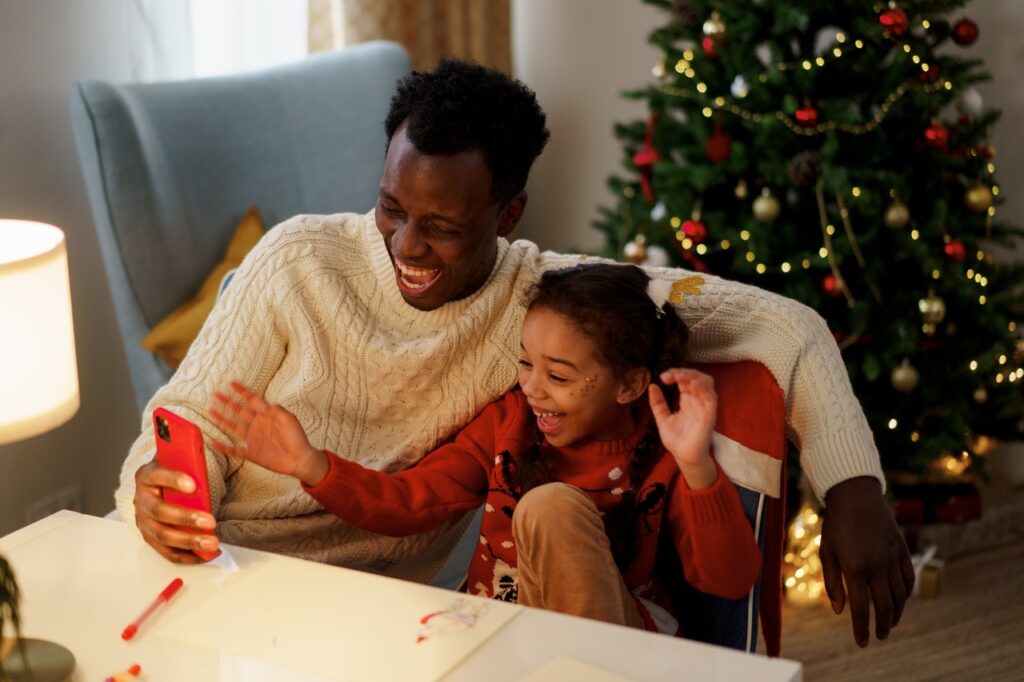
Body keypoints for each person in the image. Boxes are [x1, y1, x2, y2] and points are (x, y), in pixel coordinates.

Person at [117, 58, 913, 648]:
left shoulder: (547, 307)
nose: (406, 244)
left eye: (444, 226)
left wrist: (851, 485)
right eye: (391, 207)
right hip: (221, 567)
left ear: (509, 212)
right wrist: (157, 488)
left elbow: (785, 324)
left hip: (376, 618)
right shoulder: (299, 260)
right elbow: (184, 415)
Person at [206, 263, 762, 636]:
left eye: (560, 376)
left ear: (629, 385)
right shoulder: (508, 424)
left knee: (550, 504)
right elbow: (413, 500)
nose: (532, 387)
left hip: (622, 645)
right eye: (526, 362)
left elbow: (730, 582)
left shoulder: (664, 449)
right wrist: (312, 465)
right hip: (506, 633)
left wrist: (697, 468)